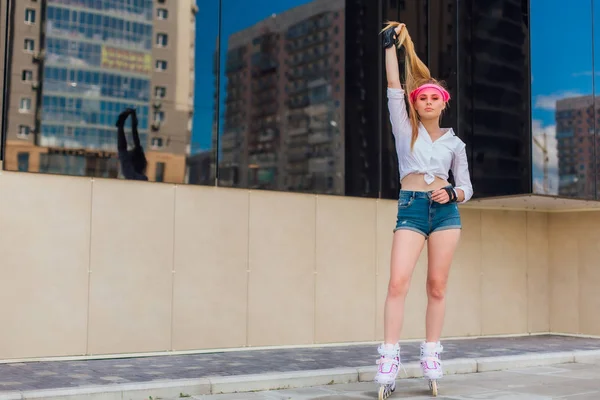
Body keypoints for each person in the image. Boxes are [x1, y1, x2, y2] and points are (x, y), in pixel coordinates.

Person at [374, 21, 473, 396]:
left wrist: (455, 194)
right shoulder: (405, 130)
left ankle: (431, 354)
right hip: (411, 209)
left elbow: (466, 186)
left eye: (434, 98)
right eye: (422, 98)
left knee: (436, 286)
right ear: (415, 104)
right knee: (398, 282)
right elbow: (394, 90)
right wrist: (390, 48)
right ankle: (389, 356)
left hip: (446, 214)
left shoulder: (455, 144)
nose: (427, 101)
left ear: (443, 104)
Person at [116, 108, 148, 181]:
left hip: (133, 175)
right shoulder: (141, 178)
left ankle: (120, 125)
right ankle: (120, 126)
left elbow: (135, 136)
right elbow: (135, 135)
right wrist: (133, 116)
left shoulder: (129, 172)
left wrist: (133, 116)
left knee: (123, 150)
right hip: (135, 176)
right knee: (123, 150)